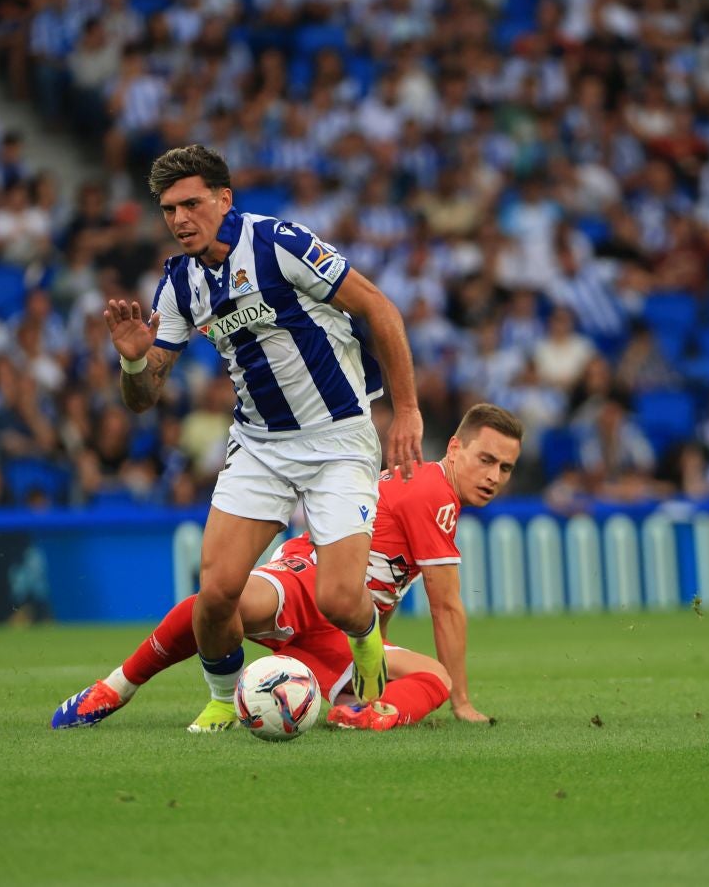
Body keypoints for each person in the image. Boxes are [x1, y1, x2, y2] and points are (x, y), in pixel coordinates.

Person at [104, 146, 423, 730]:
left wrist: (406, 412)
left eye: (191, 204)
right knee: (217, 592)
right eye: (169, 209)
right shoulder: (178, 284)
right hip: (260, 445)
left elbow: (380, 308)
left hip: (338, 439)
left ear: (224, 199)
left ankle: (366, 639)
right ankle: (225, 700)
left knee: (339, 600)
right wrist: (131, 363)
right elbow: (145, 395)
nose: (179, 219)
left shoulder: (279, 242)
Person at [51, 404, 523, 731]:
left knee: (220, 606)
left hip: (332, 627)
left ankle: (360, 714)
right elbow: (446, 608)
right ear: (456, 447)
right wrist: (462, 702)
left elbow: (381, 588)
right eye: (486, 460)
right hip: (309, 581)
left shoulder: (420, 485)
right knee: (220, 601)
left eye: (504, 469)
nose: (493, 477)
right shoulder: (435, 493)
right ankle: (115, 688)